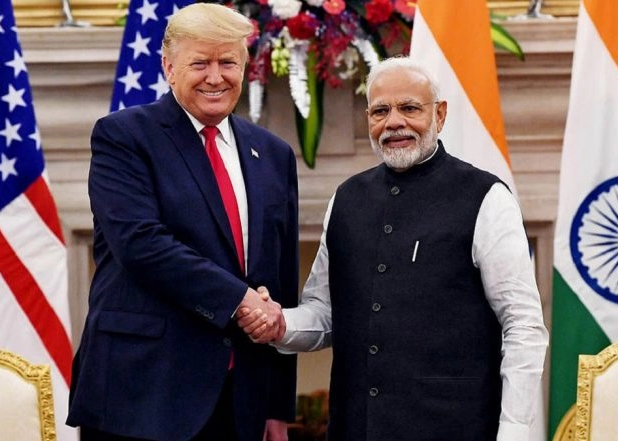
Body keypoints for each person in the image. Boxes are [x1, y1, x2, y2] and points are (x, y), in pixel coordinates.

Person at [239, 57, 549, 441]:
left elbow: (523, 325)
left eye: (409, 108)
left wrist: (514, 431)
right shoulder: (346, 199)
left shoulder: (486, 197)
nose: (394, 122)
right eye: (381, 111)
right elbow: (325, 312)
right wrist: (279, 323)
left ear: (440, 114)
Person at [67, 4, 299, 441]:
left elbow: (280, 280)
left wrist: (276, 406)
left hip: (240, 399)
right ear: (169, 68)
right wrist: (242, 300)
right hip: (142, 394)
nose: (216, 77)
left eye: (228, 62)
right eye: (200, 63)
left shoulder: (273, 153)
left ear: (245, 67)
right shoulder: (124, 136)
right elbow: (141, 244)